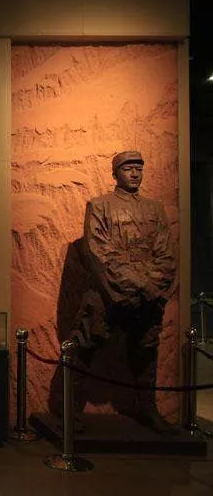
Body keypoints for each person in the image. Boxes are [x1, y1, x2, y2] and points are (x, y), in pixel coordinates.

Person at [70, 150, 177, 434]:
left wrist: (153, 286)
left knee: (146, 350)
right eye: (128, 168)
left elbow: (166, 253)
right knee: (85, 346)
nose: (134, 173)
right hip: (108, 293)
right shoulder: (100, 206)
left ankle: (148, 409)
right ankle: (70, 410)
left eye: (138, 168)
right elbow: (98, 252)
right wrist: (137, 284)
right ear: (115, 173)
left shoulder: (154, 209)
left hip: (148, 296)